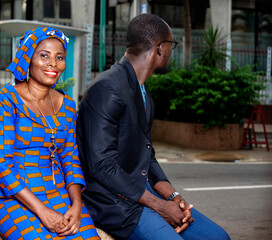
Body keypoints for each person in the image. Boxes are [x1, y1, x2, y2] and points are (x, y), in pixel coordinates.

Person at [76, 14, 231, 240]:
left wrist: (173, 196)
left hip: (141, 192)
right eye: (171, 45)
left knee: (218, 237)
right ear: (160, 48)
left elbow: (147, 155)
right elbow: (102, 166)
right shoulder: (107, 88)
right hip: (114, 202)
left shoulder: (144, 93)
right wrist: (160, 206)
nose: (171, 52)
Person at [0, 27, 100, 240]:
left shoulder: (68, 105)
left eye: (59, 57)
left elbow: (70, 157)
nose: (53, 63)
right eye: (44, 55)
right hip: (14, 195)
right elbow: (1, 165)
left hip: (58, 193)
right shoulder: (4, 102)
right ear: (27, 58)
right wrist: (42, 211)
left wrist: (77, 204)